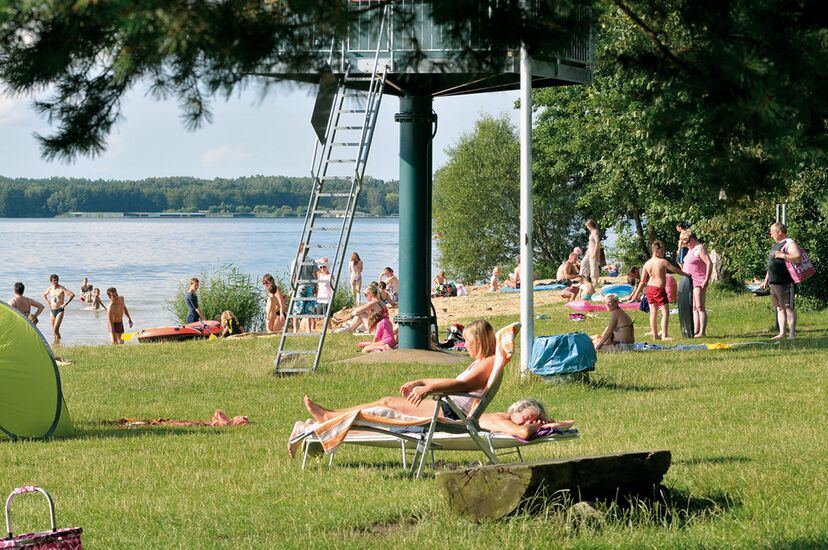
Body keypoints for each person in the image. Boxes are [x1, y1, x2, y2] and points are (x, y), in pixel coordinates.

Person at [303, 320, 518, 423]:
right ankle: (332, 414)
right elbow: (456, 381)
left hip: (450, 412)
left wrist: (429, 389)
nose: (466, 345)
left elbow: (462, 385)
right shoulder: (483, 361)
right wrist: (422, 381)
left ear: (478, 340)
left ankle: (330, 416)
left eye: (468, 341)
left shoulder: (488, 362)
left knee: (386, 404)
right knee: (385, 402)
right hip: (448, 406)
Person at [628, 241, 689, 341]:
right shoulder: (662, 262)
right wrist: (686, 274)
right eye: (662, 251)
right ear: (656, 251)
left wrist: (635, 295)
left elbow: (642, 281)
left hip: (649, 289)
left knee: (653, 313)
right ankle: (664, 335)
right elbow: (675, 269)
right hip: (658, 289)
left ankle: (655, 335)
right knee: (665, 312)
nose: (664, 253)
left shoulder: (647, 264)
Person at [760, 223, 802, 340]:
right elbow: (771, 265)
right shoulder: (776, 245)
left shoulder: (789, 243)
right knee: (779, 308)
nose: (771, 235)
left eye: (772, 232)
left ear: (779, 232)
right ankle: (782, 333)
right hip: (774, 282)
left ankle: (792, 334)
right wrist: (766, 280)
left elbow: (798, 257)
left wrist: (783, 255)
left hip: (785, 281)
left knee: (788, 307)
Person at [477, 398, 574, 439]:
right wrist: (538, 425)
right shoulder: (500, 419)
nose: (527, 423)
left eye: (531, 421)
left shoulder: (510, 420)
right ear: (516, 411)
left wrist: (547, 422)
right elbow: (524, 433)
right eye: (525, 418)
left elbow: (570, 422)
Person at [680, 230, 713, 337]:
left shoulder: (700, 248)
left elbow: (709, 263)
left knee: (700, 307)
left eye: (686, 242)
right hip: (690, 282)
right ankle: (696, 330)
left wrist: (706, 279)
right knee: (694, 307)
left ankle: (702, 332)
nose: (685, 245)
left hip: (699, 281)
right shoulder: (690, 249)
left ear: (692, 239)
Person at [42, 274, 75, 345]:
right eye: (54, 280)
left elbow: (72, 295)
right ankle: (55, 343)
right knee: (54, 330)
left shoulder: (61, 288)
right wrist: (48, 302)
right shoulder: (50, 288)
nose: (56, 281)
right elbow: (44, 294)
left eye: (57, 280)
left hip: (59, 310)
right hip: (52, 310)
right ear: (51, 281)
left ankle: (59, 342)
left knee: (55, 329)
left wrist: (66, 303)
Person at [291, 243, 316, 332]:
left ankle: (295, 329)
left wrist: (292, 288)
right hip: (309, 286)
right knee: (309, 308)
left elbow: (293, 277)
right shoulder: (311, 260)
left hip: (299, 286)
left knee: (296, 308)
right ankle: (308, 329)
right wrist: (316, 286)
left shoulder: (295, 261)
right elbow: (315, 275)